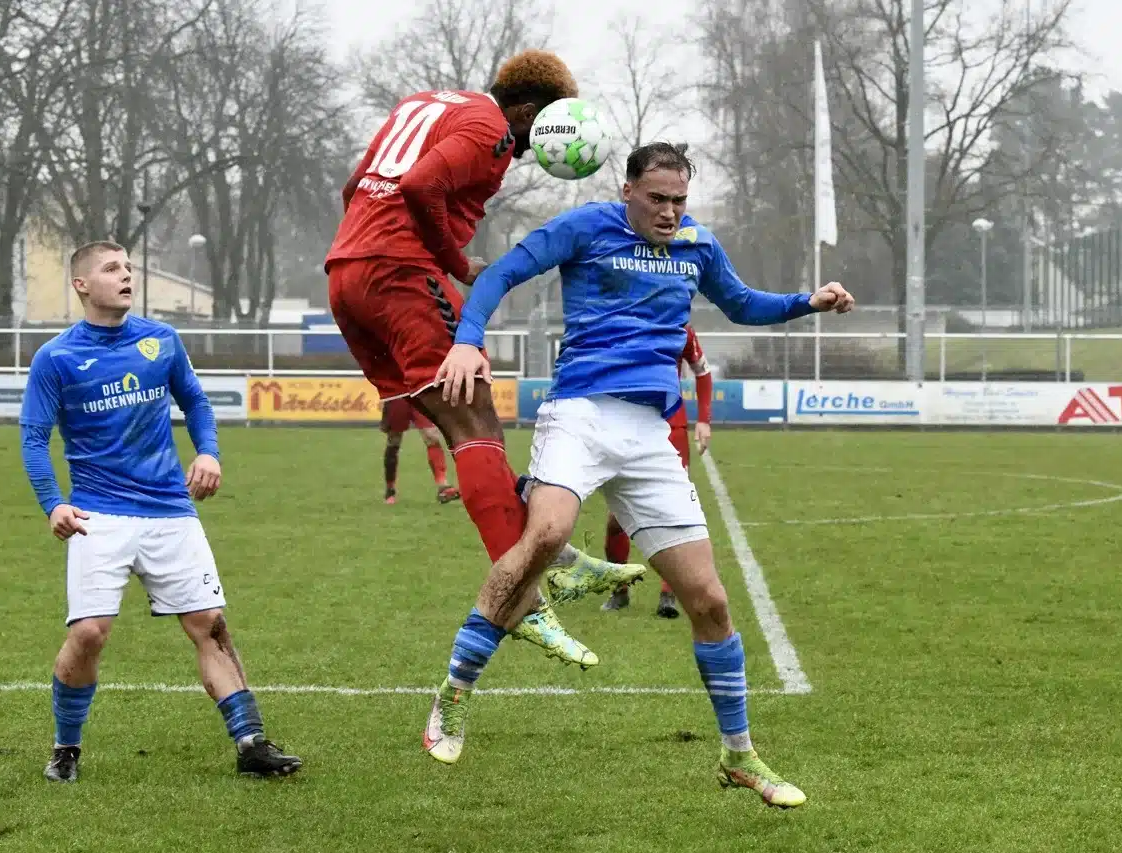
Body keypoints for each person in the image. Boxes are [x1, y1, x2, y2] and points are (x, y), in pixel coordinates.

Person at [423, 142, 855, 808]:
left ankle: (739, 756)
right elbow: (500, 273)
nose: (670, 211)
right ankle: (454, 693)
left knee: (708, 599)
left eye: (680, 200)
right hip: (581, 412)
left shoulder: (697, 246)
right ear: (627, 190)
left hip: (650, 434)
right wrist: (467, 335)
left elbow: (741, 305)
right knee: (545, 536)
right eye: (658, 198)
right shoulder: (583, 228)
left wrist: (809, 302)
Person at [324, 49, 643, 671]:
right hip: (400, 275)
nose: (520, 152)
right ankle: (526, 602)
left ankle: (559, 563)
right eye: (532, 137)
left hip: (348, 274)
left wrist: (376, 251)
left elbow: (353, 188)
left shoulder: (421, 104)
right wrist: (446, 257)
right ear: (526, 111)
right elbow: (421, 186)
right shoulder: (490, 127)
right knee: (477, 430)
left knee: (461, 425)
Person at [19, 241, 301, 783]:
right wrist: (53, 504)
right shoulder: (55, 357)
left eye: (128, 267)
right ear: (81, 285)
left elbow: (194, 401)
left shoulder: (160, 340)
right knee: (90, 634)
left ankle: (251, 745)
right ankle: (65, 749)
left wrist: (209, 452)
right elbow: (34, 440)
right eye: (111, 269)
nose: (126, 276)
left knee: (210, 627)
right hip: (98, 514)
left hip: (171, 511)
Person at [602, 322, 712, 617]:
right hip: (628, 427)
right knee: (617, 520)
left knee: (673, 512)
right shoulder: (623, 319)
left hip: (671, 427)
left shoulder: (683, 327)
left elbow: (702, 372)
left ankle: (668, 594)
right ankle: (619, 588)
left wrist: (704, 419)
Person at [379, 397, 460, 505]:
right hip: (397, 395)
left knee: (431, 436)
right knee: (394, 441)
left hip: (418, 394)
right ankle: (390, 489)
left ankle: (443, 486)